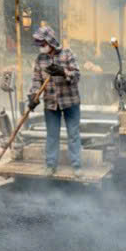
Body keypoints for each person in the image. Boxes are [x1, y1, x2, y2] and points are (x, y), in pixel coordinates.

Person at [28, 24, 82, 176]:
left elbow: (77, 76)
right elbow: (36, 80)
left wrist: (63, 72)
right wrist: (33, 96)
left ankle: (77, 165)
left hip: (70, 101)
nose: (41, 47)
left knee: (73, 134)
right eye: (39, 44)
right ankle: (50, 165)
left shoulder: (67, 54)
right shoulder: (40, 59)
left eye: (43, 44)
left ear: (50, 42)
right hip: (51, 103)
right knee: (52, 135)